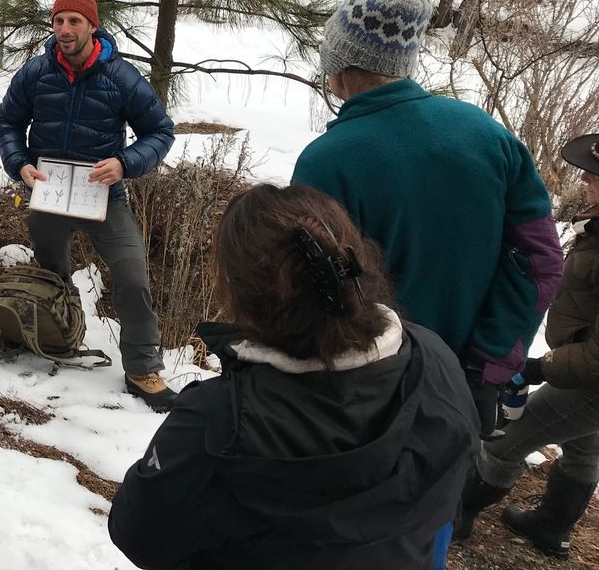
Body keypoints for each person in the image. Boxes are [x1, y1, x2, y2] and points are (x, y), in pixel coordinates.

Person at [108, 184, 478, 569]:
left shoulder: (217, 422)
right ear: (355, 264)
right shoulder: (434, 359)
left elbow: (136, 533)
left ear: (242, 297)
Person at [292, 0, 563, 434]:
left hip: (367, 391)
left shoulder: (326, 162)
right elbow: (539, 261)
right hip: (466, 386)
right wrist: (489, 364)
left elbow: (310, 291)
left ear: (338, 69)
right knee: (444, 500)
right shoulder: (486, 134)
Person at [0, 0, 176, 410]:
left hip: (103, 196)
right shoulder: (37, 72)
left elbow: (160, 131)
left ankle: (142, 367)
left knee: (132, 276)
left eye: (74, 21)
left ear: (92, 26)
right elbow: (7, 122)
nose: (64, 29)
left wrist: (125, 163)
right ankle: (57, 335)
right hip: (50, 193)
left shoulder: (121, 76)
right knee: (52, 274)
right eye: (58, 21)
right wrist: (19, 164)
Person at [458, 134, 599, 558]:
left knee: (504, 443)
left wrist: (540, 367)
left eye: (596, 175)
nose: (586, 178)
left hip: (588, 383)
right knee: (583, 446)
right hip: (583, 374)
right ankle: (551, 529)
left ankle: (456, 513)